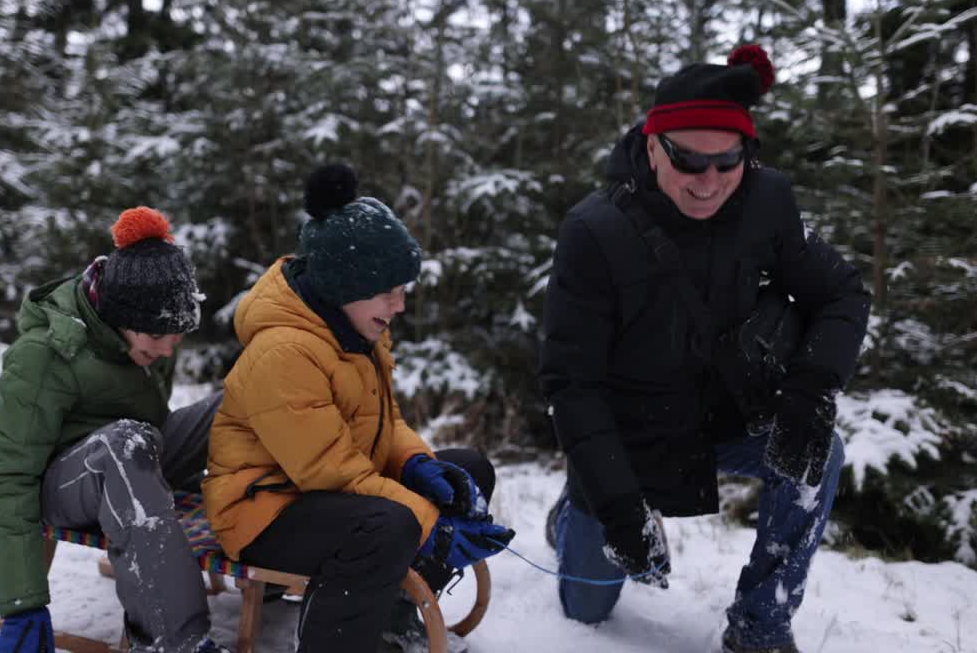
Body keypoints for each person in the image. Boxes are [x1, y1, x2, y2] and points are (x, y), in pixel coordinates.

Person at [538, 45, 871, 653]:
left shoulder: (767, 201)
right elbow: (571, 381)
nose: (709, 181)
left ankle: (760, 624)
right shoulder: (593, 231)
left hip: (727, 412)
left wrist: (811, 388)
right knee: (586, 607)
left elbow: (842, 293)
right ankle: (573, 512)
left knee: (818, 455)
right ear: (652, 146)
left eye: (728, 160)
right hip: (630, 431)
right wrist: (615, 504)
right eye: (689, 160)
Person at [203, 164, 515, 653]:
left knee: (468, 468)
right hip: (264, 510)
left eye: (403, 291)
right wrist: (431, 525)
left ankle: (392, 611)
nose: (399, 306)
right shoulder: (285, 351)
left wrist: (419, 464)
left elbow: (384, 424)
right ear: (342, 286)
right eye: (388, 292)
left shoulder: (356, 329)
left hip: (331, 492)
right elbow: (328, 471)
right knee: (391, 524)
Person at [0, 206, 229, 653]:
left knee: (240, 403)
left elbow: (155, 421)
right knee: (122, 443)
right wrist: (22, 603)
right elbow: (7, 475)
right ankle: (177, 643)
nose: (171, 347)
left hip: (137, 456)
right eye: (159, 336)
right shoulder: (42, 356)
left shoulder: (152, 334)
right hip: (64, 485)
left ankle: (282, 540)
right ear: (119, 318)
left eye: (178, 334)